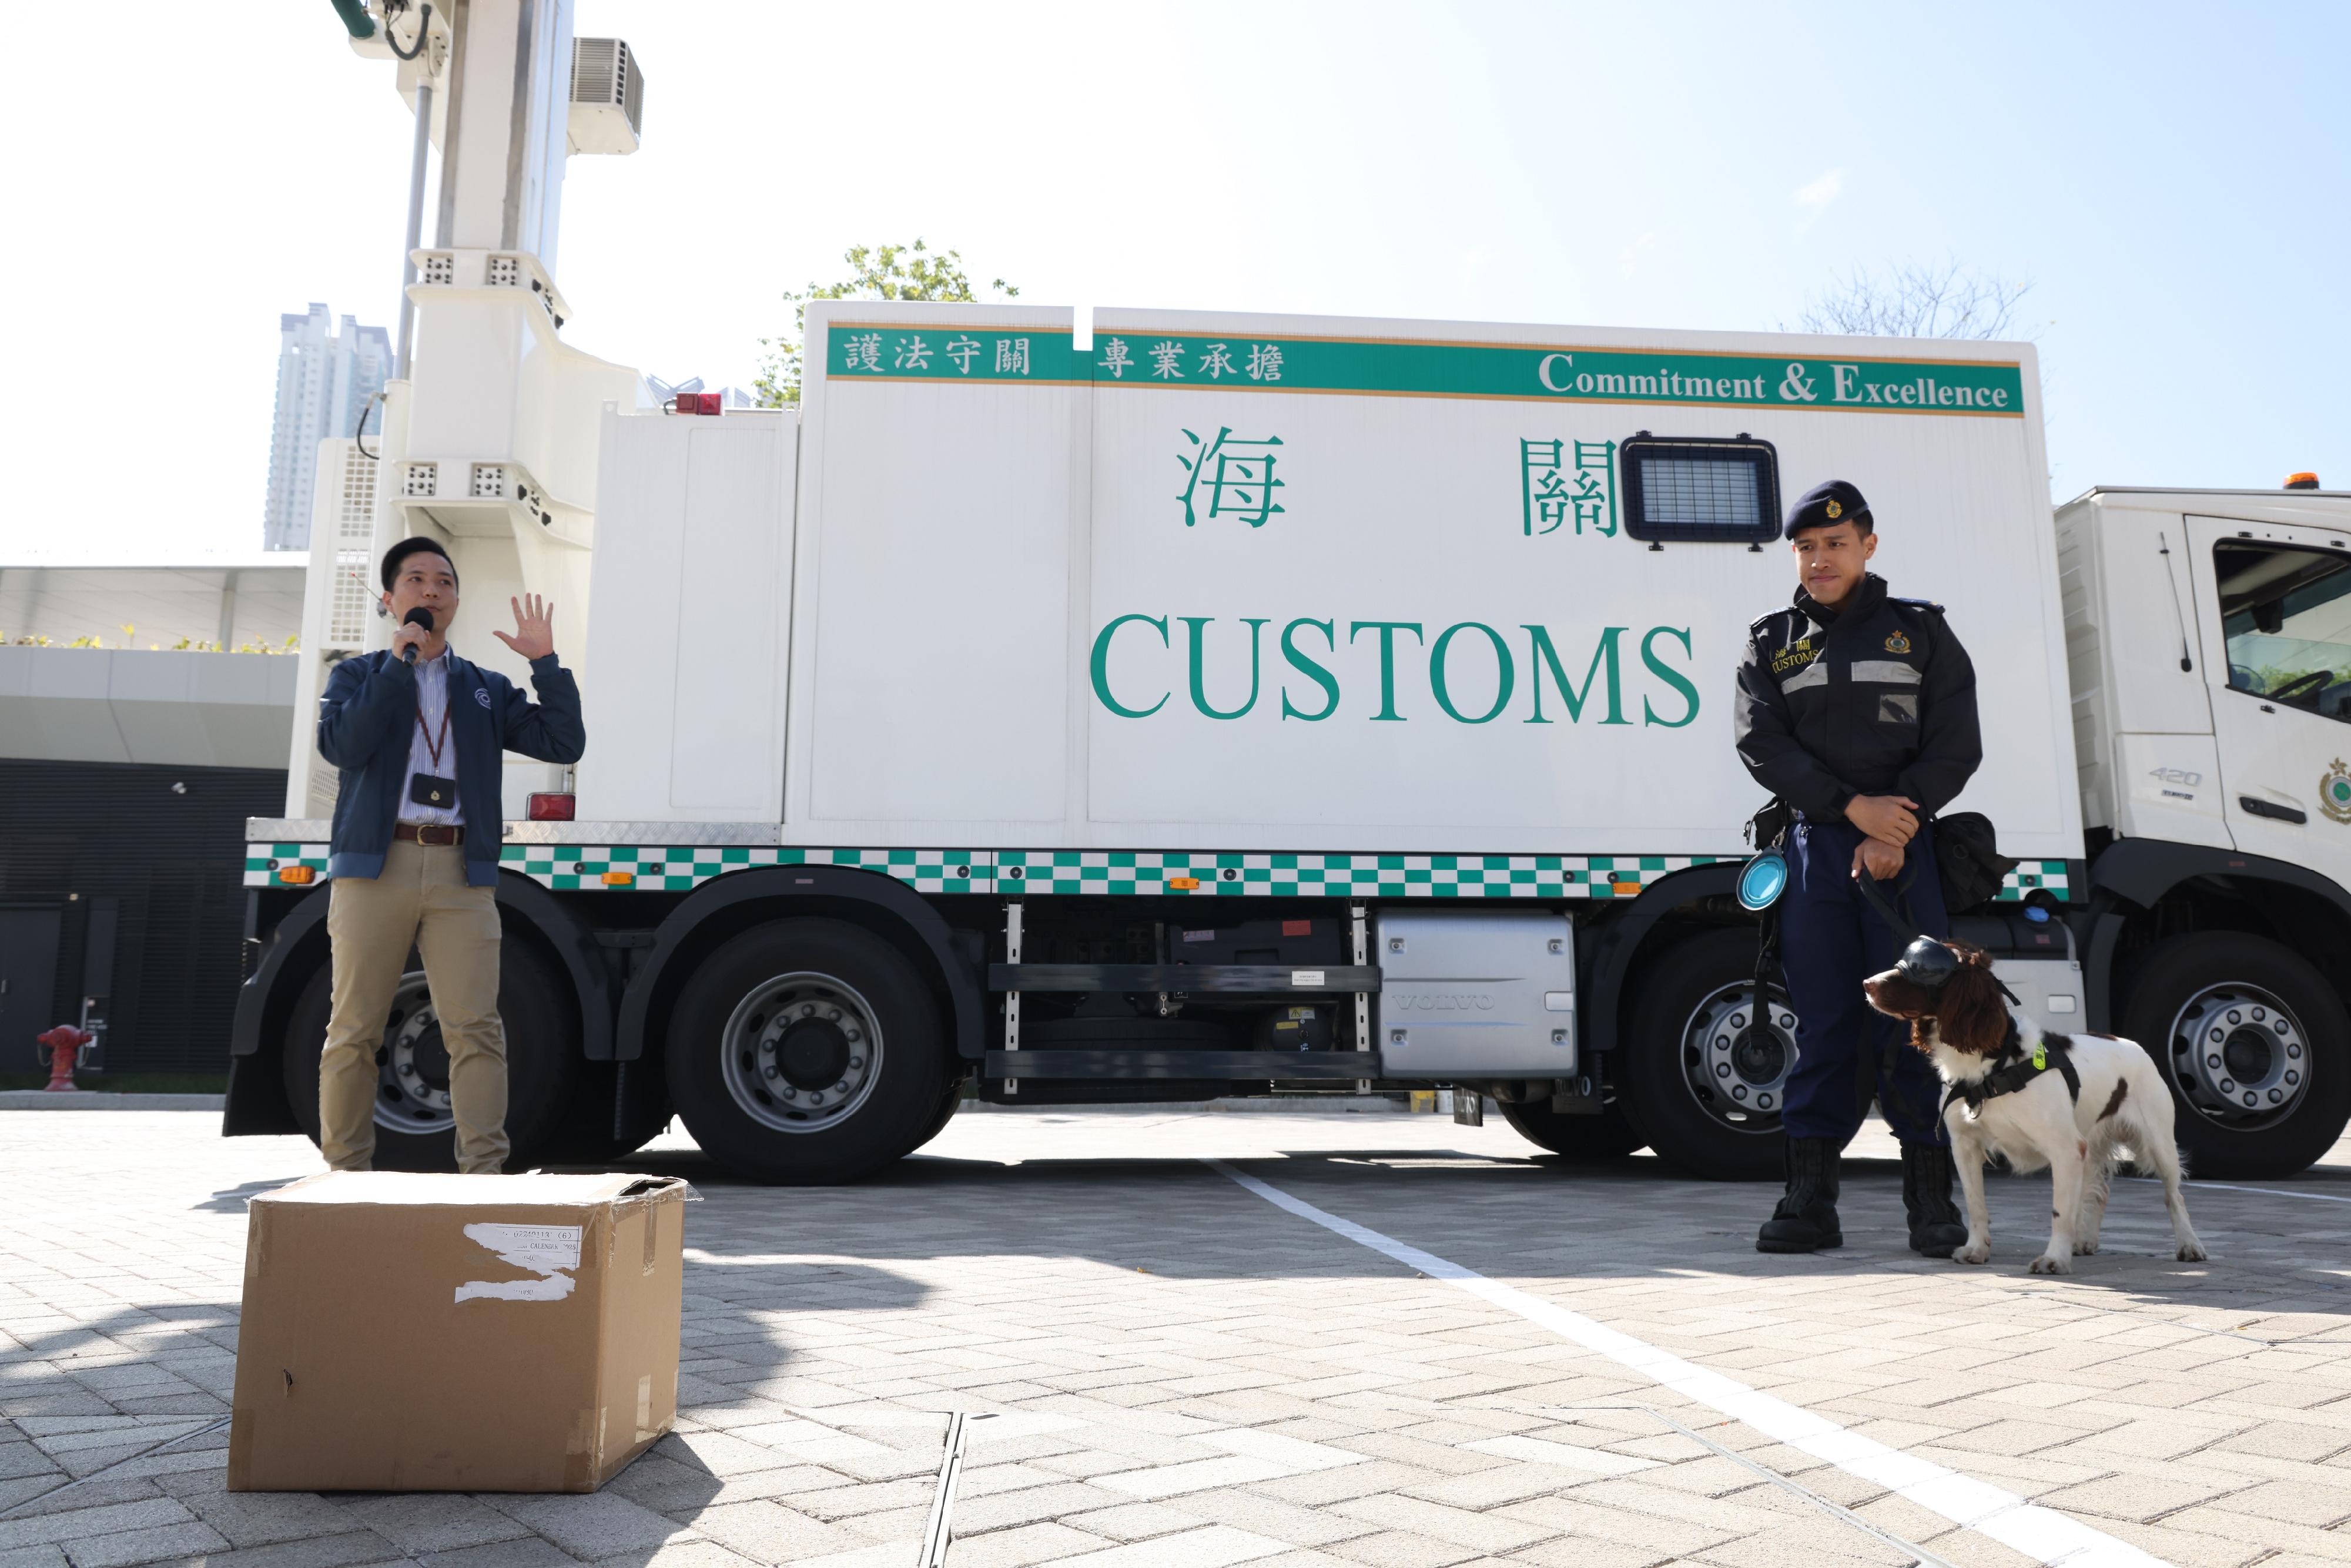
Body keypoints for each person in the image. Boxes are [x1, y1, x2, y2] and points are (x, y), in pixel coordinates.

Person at [1733, 480, 1982, 1255]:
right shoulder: (1771, 640)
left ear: (1868, 546)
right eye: (1806, 548)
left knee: (1920, 1025)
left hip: (1906, 855)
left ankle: (1932, 1205)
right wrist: (1852, 811)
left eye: (1834, 545)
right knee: (1826, 1028)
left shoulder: (1922, 633)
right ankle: (1809, 1202)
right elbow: (1762, 745)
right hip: (1817, 852)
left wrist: (1896, 818)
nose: (1819, 561)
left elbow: (1956, 743)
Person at [313, 538, 586, 1173]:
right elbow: (344, 747)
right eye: (415, 579)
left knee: (476, 1029)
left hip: (462, 872)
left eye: (443, 580)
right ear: (390, 599)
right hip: (377, 866)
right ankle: (345, 1173)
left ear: (457, 599)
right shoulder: (357, 675)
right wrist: (397, 666)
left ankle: (482, 1173)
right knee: (354, 1029)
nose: (431, 590)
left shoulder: (484, 688)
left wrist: (544, 663)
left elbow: (563, 739)